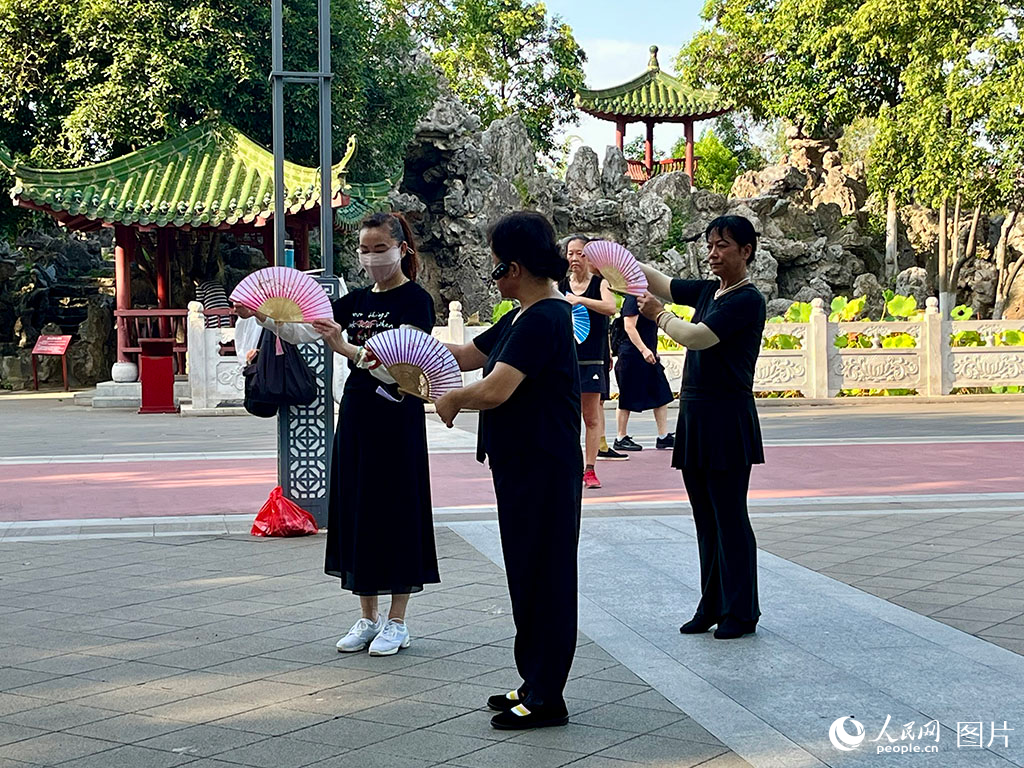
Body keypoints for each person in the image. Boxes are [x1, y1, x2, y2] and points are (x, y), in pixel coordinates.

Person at [435, 212, 582, 730]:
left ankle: (548, 696)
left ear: (515, 266)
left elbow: (495, 388)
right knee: (525, 570)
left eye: (496, 267)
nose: (494, 276)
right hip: (520, 462)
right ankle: (533, 680)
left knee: (547, 574)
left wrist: (452, 399)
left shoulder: (547, 317)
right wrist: (393, 350)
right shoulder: (521, 315)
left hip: (543, 463)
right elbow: (468, 354)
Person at [307, 212, 439, 656]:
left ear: (403, 249)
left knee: (396, 509)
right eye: (365, 250)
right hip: (359, 415)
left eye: (380, 248)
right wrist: (267, 315)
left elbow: (402, 369)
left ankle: (397, 621)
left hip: (398, 418)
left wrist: (344, 347)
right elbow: (308, 325)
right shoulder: (356, 301)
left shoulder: (416, 301)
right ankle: (367, 616)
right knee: (358, 507)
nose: (371, 258)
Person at [632, 214, 765, 641]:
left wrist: (658, 316)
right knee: (705, 518)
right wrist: (616, 261)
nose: (713, 253)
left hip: (727, 417)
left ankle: (741, 611)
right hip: (696, 414)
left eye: (723, 245)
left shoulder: (746, 300)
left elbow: (697, 337)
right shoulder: (710, 290)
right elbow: (664, 283)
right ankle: (712, 604)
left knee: (729, 517)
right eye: (710, 244)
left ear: (746, 251)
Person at [559, 235, 616, 489]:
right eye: (570, 253)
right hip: (564, 360)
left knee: (591, 417)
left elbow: (610, 308)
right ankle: (567, 465)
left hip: (592, 360)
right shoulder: (560, 285)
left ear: (589, 256)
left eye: (579, 253)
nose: (574, 258)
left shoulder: (600, 284)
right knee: (564, 416)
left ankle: (590, 469)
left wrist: (579, 300)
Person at [612, 292, 675, 452]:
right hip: (632, 355)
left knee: (661, 393)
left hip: (649, 355)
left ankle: (663, 436)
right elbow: (629, 326)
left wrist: (653, 350)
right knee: (627, 396)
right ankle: (621, 437)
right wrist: (644, 350)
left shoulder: (647, 299)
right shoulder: (632, 300)